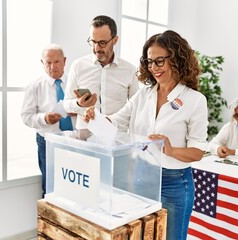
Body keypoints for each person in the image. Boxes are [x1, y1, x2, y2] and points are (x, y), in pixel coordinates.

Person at [83, 30, 208, 240]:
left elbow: (198, 152)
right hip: (140, 176)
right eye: (150, 62)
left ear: (176, 59)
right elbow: (116, 122)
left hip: (174, 183)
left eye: (159, 61)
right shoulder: (144, 94)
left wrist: (170, 149)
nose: (154, 68)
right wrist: (94, 117)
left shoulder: (195, 100)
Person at [63, 15, 139, 130]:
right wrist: (79, 104)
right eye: (93, 42)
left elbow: (136, 108)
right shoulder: (78, 66)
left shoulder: (130, 70)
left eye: (102, 43)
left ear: (115, 40)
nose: (96, 48)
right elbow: (66, 105)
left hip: (116, 138)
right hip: (85, 138)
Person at [21, 44, 76, 197]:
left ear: (65, 61)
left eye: (57, 62)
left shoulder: (74, 82)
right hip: (48, 142)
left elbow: (85, 108)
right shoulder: (34, 86)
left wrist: (77, 110)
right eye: (48, 63)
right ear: (42, 63)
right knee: (51, 187)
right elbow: (26, 116)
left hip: (74, 141)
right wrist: (44, 118)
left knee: (75, 188)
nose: (52, 67)